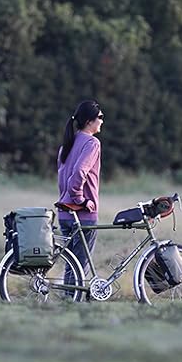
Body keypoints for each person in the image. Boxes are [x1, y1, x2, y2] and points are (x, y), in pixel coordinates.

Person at [56, 100, 104, 285]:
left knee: (71, 265)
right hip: (82, 213)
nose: (102, 121)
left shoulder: (66, 144)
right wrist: (81, 200)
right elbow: (79, 173)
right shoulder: (92, 143)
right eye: (100, 117)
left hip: (64, 213)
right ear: (89, 121)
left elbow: (62, 179)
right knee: (80, 265)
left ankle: (70, 299)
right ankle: (73, 301)